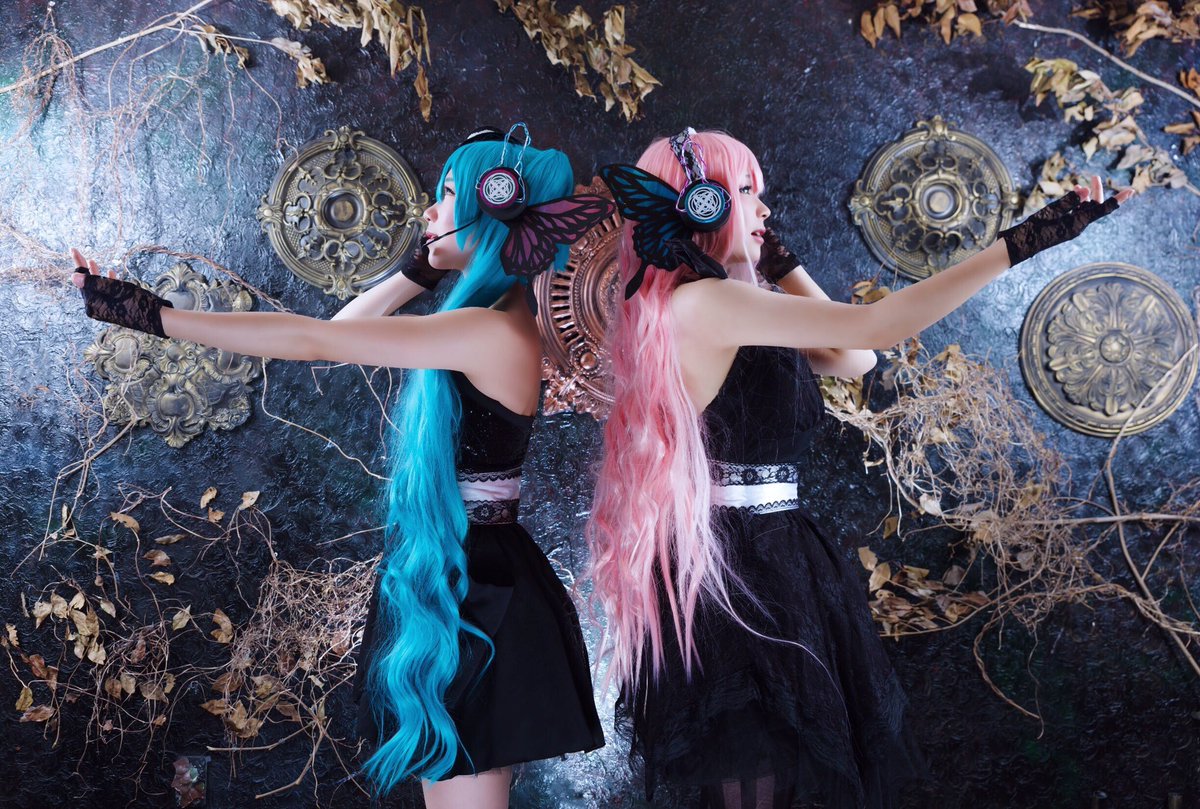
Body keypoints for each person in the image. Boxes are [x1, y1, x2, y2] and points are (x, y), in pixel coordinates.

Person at [585, 127, 1133, 809]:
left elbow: (854, 360)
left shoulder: (729, 303)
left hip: (767, 556)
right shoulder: (711, 303)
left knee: (772, 780)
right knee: (752, 779)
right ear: (703, 204)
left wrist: (781, 263)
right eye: (747, 192)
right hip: (739, 570)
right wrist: (1021, 243)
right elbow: (875, 330)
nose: (765, 210)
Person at [70, 125, 609, 809]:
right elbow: (343, 334)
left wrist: (154, 315)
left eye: (447, 196)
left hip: (479, 587)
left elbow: (316, 340)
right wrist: (417, 272)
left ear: (493, 205)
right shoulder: (488, 315)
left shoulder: (489, 327)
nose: (429, 211)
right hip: (457, 568)